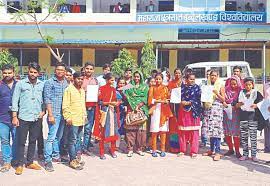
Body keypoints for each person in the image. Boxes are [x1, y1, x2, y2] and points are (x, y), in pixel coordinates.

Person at [12, 62, 45, 175]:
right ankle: (20, 164)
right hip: (23, 117)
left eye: (35, 72)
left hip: (36, 117)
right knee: (21, 141)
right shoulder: (20, 84)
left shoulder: (42, 84)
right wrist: (14, 116)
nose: (32, 74)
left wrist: (43, 111)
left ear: (38, 74)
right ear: (28, 71)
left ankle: (29, 162)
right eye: (31, 72)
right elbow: (15, 100)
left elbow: (45, 99)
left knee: (33, 140)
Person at [43, 62, 68, 172]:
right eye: (58, 69)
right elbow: (47, 99)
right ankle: (47, 160)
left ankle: (56, 156)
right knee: (51, 137)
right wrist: (51, 115)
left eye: (62, 70)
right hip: (54, 114)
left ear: (65, 72)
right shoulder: (49, 82)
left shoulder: (66, 82)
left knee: (59, 136)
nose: (60, 72)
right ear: (55, 70)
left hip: (64, 114)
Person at [62, 72, 86, 170]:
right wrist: (67, 117)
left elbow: (83, 105)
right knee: (72, 141)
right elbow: (65, 105)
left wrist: (85, 116)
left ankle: (77, 158)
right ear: (74, 79)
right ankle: (72, 160)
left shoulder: (82, 90)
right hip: (72, 120)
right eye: (78, 79)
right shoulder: (69, 90)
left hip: (81, 119)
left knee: (78, 140)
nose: (80, 81)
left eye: (81, 79)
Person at [236, 77, 263, 162]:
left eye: (250, 84)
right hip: (243, 117)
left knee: (253, 137)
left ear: (252, 85)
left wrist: (256, 105)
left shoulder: (256, 93)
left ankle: (254, 155)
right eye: (246, 85)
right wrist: (239, 104)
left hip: (253, 118)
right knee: (244, 137)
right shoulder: (241, 93)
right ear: (244, 85)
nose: (248, 86)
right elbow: (236, 105)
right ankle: (245, 154)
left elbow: (263, 102)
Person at [93, 73, 119, 160]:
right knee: (103, 132)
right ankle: (101, 151)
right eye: (112, 80)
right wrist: (109, 103)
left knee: (113, 131)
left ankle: (112, 150)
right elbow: (99, 102)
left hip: (112, 113)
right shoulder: (101, 89)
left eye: (114, 80)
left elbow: (116, 100)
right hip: (104, 112)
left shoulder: (114, 89)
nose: (113, 81)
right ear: (107, 80)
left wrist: (117, 103)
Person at [202, 69, 225, 161]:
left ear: (218, 76)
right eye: (211, 75)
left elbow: (223, 99)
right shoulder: (206, 85)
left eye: (215, 75)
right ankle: (211, 150)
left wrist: (217, 93)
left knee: (217, 131)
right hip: (208, 109)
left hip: (217, 109)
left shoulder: (221, 85)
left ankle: (218, 152)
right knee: (210, 130)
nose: (213, 77)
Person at [125, 71, 149, 157]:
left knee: (141, 130)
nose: (136, 78)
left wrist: (138, 106)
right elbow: (124, 94)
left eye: (138, 77)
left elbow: (145, 98)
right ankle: (130, 149)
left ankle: (139, 148)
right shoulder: (129, 86)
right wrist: (132, 105)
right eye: (135, 76)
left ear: (141, 77)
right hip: (130, 108)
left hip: (141, 109)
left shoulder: (145, 87)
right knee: (130, 129)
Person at [178, 73, 202, 158]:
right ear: (186, 79)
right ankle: (182, 150)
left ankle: (193, 151)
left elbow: (199, 100)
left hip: (194, 112)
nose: (192, 81)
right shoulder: (182, 88)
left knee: (194, 132)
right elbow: (177, 97)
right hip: (183, 112)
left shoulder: (197, 88)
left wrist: (189, 102)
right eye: (191, 79)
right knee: (182, 131)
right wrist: (181, 102)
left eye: (193, 79)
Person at [148, 73, 173, 157]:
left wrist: (167, 100)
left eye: (160, 79)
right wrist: (160, 101)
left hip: (164, 111)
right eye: (157, 79)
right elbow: (150, 100)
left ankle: (162, 149)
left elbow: (168, 98)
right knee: (154, 131)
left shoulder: (165, 88)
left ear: (162, 79)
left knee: (163, 131)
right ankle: (154, 149)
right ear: (155, 79)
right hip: (155, 110)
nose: (158, 80)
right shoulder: (152, 88)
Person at [0, 64, 17, 173]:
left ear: (13, 73)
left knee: (17, 140)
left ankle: (15, 160)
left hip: (17, 119)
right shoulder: (0, 85)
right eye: (5, 73)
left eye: (9, 72)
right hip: (2, 119)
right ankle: (7, 161)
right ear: (2, 73)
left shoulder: (19, 85)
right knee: (5, 141)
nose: (7, 75)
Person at [81, 62, 98, 156]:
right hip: (81, 107)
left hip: (91, 108)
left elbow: (98, 93)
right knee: (78, 128)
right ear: (84, 69)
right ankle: (77, 148)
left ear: (93, 70)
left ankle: (85, 148)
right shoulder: (80, 79)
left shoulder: (95, 80)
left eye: (91, 69)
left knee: (88, 129)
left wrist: (97, 93)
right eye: (87, 68)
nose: (89, 70)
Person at [223, 76, 242, 159]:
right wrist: (225, 103)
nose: (233, 86)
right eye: (231, 84)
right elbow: (223, 99)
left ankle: (237, 151)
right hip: (227, 113)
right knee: (227, 132)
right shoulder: (226, 90)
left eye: (235, 84)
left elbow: (242, 101)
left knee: (236, 133)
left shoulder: (241, 91)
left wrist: (237, 105)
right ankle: (230, 149)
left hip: (237, 114)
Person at [167, 68, 182, 153]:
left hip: (181, 107)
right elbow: (168, 93)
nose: (177, 75)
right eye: (176, 73)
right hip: (172, 106)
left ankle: (181, 146)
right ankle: (173, 146)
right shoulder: (171, 83)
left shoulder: (183, 83)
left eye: (179, 73)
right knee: (173, 127)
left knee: (180, 127)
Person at [116, 78, 127, 142]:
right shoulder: (115, 91)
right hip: (117, 111)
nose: (122, 85)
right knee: (118, 126)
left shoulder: (127, 91)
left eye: (123, 83)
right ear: (117, 84)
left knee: (124, 126)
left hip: (125, 111)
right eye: (120, 83)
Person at [263, 82, 270, 153]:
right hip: (266, 108)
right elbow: (264, 97)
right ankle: (267, 147)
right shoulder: (266, 85)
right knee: (267, 128)